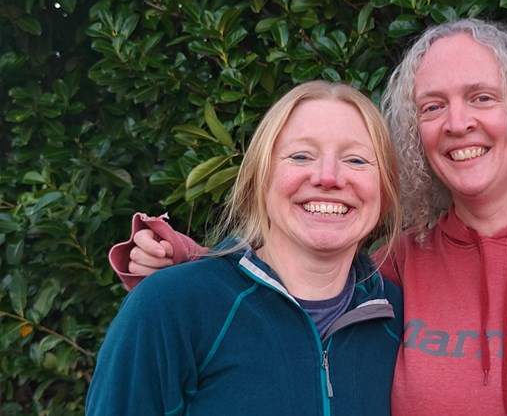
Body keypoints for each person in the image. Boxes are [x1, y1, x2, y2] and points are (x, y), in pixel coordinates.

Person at [111, 19, 507, 415]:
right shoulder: (398, 266)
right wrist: (189, 264)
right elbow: (294, 279)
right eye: (432, 106)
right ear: (414, 136)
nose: (458, 123)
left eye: (482, 97)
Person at [87, 81, 404, 415]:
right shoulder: (170, 307)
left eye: (356, 160)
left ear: (384, 191)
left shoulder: (397, 315)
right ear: (260, 180)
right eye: (300, 156)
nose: (328, 177)